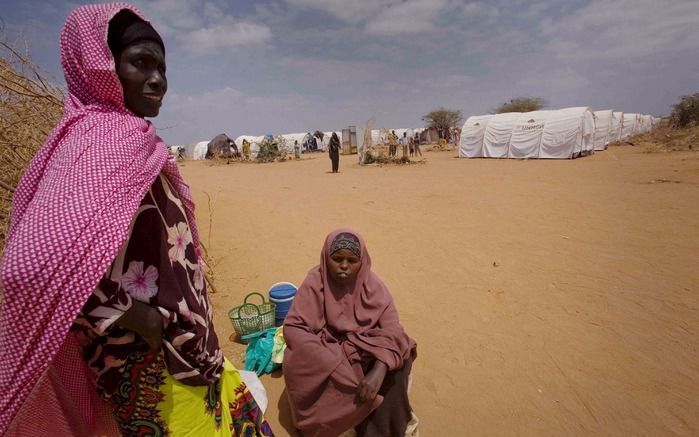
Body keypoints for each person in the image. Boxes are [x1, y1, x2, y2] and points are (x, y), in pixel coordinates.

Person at [0, 4, 274, 436]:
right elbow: (27, 269)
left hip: (186, 352)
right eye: (140, 63)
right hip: (151, 366)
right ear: (102, 65)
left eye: (162, 67)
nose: (157, 80)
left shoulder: (125, 137)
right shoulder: (101, 143)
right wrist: (131, 314)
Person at [283, 229, 418, 437]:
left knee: (401, 358)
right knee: (298, 361)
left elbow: (394, 332)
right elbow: (294, 328)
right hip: (327, 352)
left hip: (364, 349)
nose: (343, 266)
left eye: (351, 260)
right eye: (337, 259)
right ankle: (327, 423)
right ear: (326, 258)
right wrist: (333, 361)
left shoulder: (374, 287)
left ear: (362, 262)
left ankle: (381, 429)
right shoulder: (314, 283)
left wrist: (379, 370)